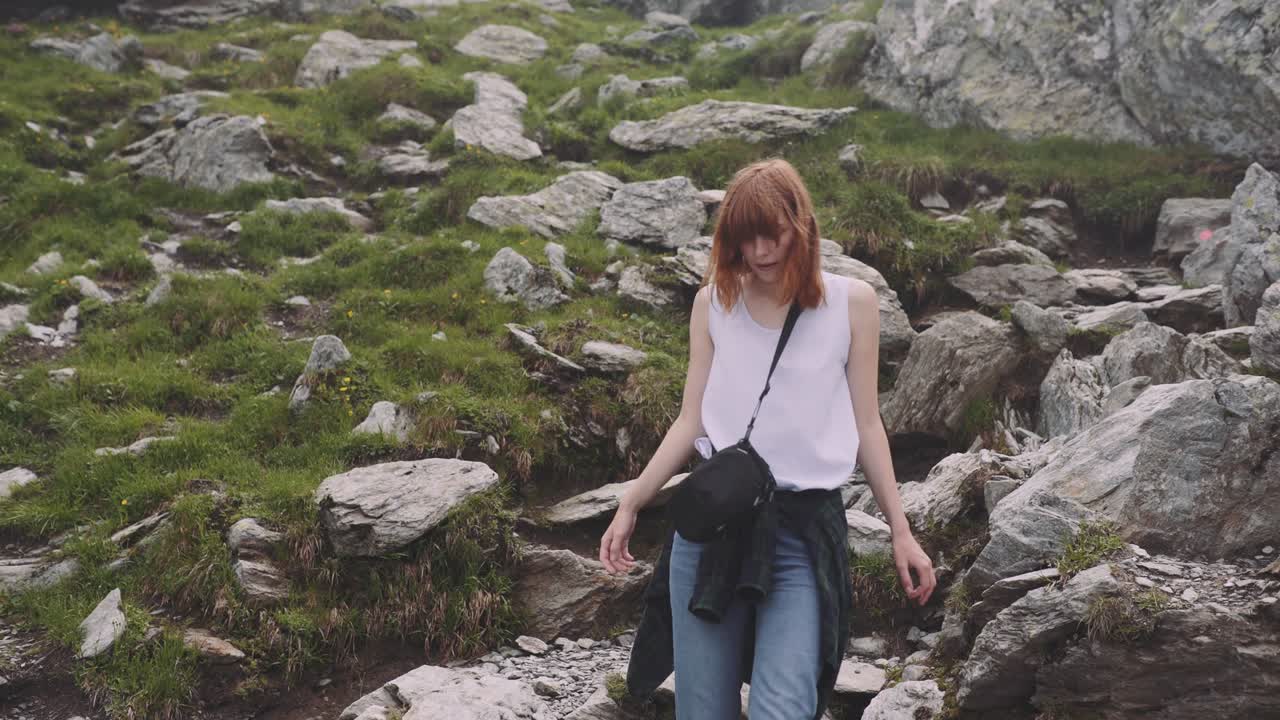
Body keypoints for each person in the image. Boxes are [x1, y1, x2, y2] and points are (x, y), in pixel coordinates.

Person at [598, 157, 937, 720]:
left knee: (784, 707)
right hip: (713, 529)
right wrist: (632, 500)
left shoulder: (852, 304)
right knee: (704, 710)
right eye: (745, 238)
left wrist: (902, 531)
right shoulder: (714, 303)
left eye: (772, 233)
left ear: (800, 225)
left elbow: (867, 424)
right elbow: (692, 420)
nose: (760, 251)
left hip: (800, 532)